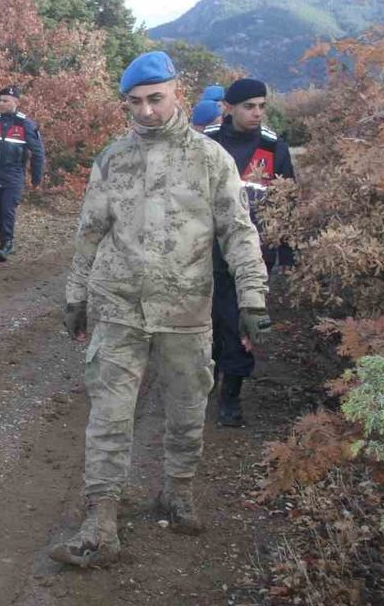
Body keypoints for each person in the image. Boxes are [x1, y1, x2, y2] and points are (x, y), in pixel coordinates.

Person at [53, 51, 270, 567]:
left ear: (177, 93)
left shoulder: (210, 159)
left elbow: (237, 232)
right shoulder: (113, 159)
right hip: (119, 305)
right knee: (109, 415)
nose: (146, 111)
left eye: (155, 99)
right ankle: (100, 521)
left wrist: (252, 297)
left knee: (188, 408)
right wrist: (76, 294)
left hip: (185, 309)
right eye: (135, 102)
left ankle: (177, 492)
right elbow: (89, 232)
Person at [203, 77, 295, 427]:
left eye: (261, 106)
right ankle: (205, 381)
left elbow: (287, 204)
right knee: (207, 322)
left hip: (253, 256)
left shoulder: (274, 149)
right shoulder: (208, 143)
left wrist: (286, 255)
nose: (257, 113)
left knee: (241, 324)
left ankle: (231, 396)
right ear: (229, 108)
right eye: (249, 106)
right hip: (206, 252)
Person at [0, 86, 45, 261]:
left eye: (5, 100)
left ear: (16, 102)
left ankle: (7, 244)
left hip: (13, 174)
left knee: (8, 209)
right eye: (0, 100)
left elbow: (38, 153)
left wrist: (36, 178)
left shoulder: (25, 124)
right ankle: (3, 242)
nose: (1, 103)